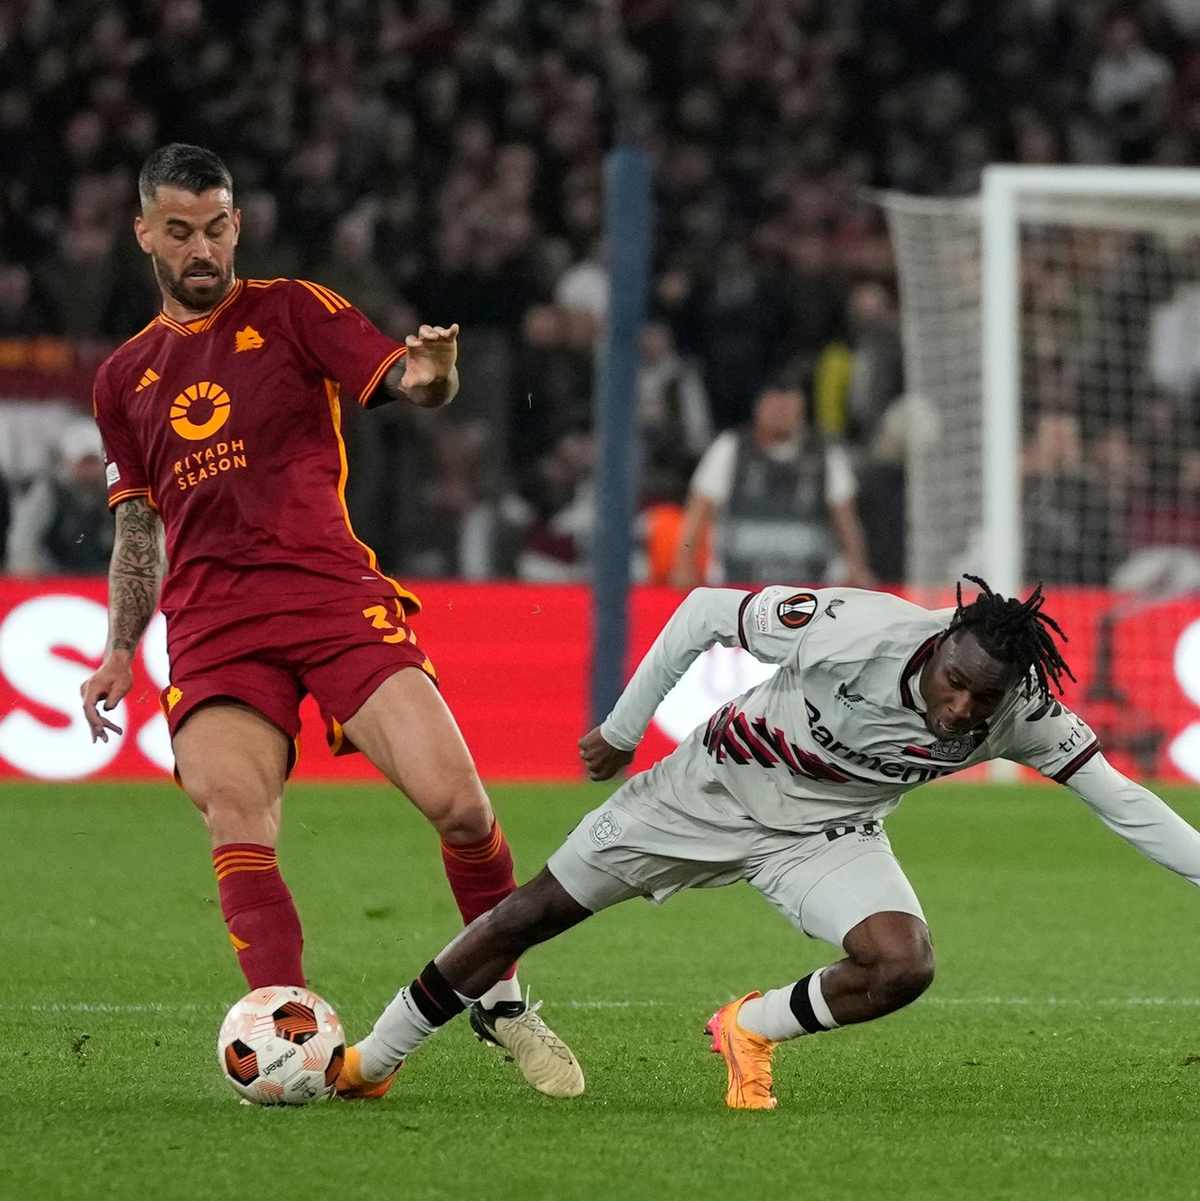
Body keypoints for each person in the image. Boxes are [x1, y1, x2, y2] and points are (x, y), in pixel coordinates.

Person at [78, 143, 581, 1100]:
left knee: (462, 805)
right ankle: (291, 1033)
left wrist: (434, 374)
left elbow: (408, 384)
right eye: (179, 230)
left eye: (217, 225)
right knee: (236, 813)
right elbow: (137, 526)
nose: (202, 247)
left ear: (238, 222)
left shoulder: (294, 310)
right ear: (144, 232)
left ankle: (503, 1000)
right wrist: (116, 650)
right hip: (215, 625)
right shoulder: (123, 380)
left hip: (329, 595)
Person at [342, 576, 1200, 1109]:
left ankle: (748, 1025)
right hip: (701, 793)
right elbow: (704, 612)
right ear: (938, 645)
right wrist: (622, 726)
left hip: (824, 833)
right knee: (523, 916)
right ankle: (372, 1061)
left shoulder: (1023, 712)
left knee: (903, 963)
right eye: (957, 683)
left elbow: (1126, 804)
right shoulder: (854, 627)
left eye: (986, 698)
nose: (964, 710)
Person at [670, 380, 875, 589]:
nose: (781, 416)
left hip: (813, 590)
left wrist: (858, 569)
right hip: (738, 586)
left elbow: (846, 520)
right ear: (759, 409)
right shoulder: (731, 448)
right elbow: (697, 513)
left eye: (788, 410)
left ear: (801, 412)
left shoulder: (825, 454)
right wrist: (684, 567)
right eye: (776, 409)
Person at [6, 417, 114, 574]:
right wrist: (26, 571)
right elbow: (24, 536)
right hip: (57, 576)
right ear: (68, 460)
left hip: (106, 575)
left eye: (93, 462)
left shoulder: (116, 489)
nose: (89, 469)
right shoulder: (50, 490)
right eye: (83, 462)